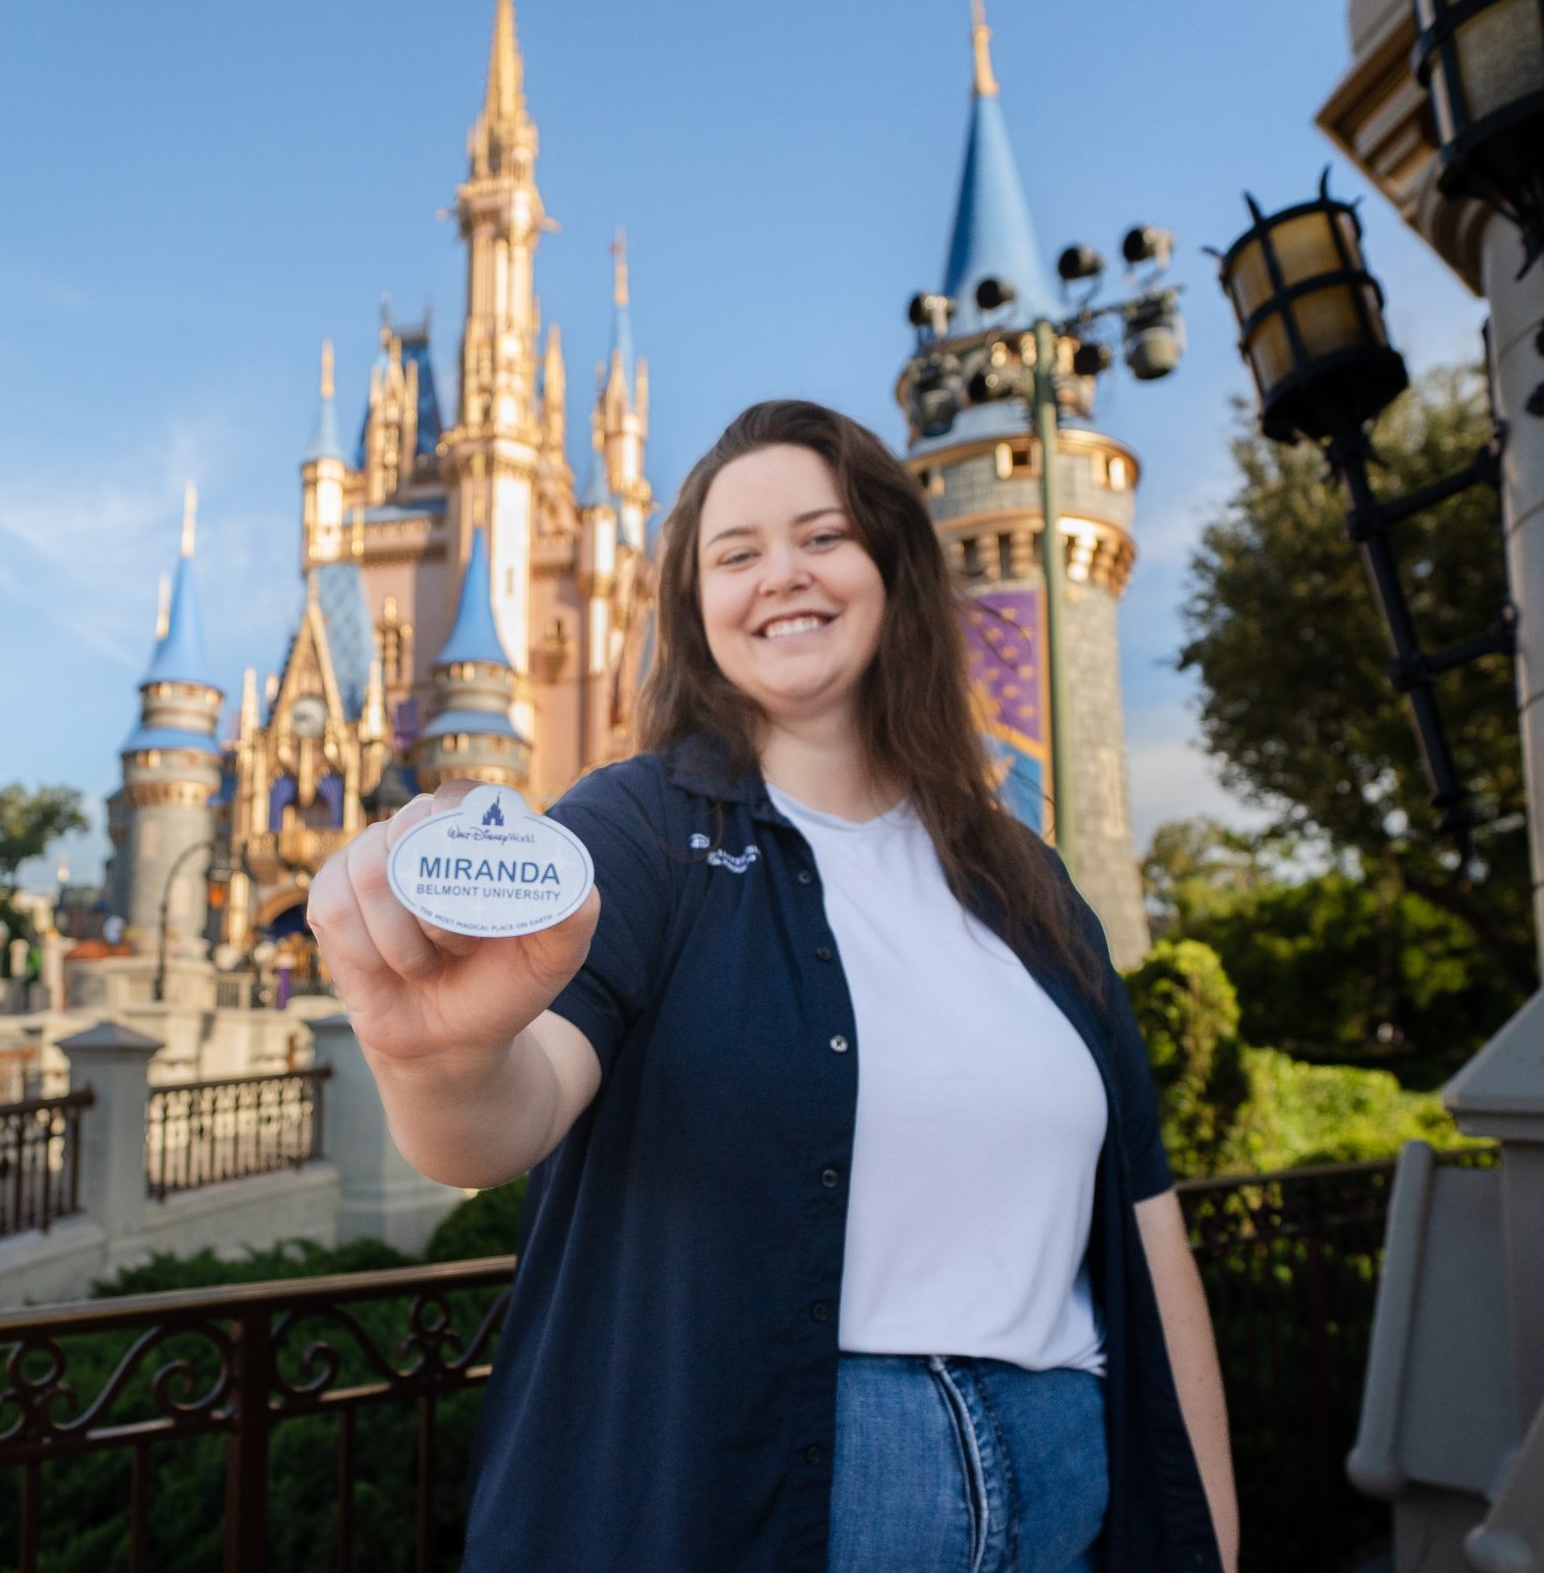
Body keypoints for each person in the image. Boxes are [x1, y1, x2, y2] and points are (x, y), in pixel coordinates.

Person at [310, 400, 1238, 1572]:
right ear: (694, 608)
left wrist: (1207, 1531)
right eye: (734, 554)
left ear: (893, 565)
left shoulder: (1028, 881)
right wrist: (436, 1056)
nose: (779, 576)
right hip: (766, 1496)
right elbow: (514, 1105)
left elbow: (1149, 1231)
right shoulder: (638, 829)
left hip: (1065, 1488)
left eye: (822, 536)